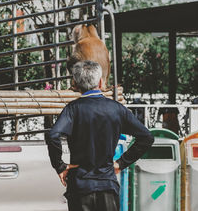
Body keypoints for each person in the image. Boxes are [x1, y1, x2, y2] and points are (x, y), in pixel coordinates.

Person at [47, 60, 154, 211]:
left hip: (80, 186)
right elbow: (147, 137)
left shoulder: (72, 109)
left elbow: (53, 135)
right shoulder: (117, 109)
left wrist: (60, 166)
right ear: (101, 82)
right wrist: (121, 163)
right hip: (107, 185)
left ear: (75, 84)